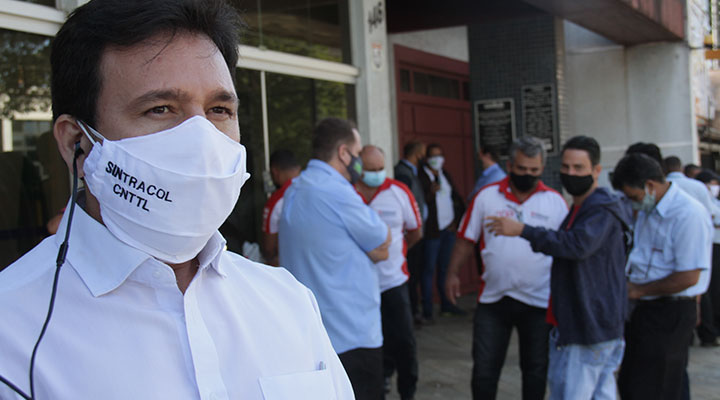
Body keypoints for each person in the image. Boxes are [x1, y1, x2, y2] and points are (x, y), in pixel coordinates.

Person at [0, 1, 355, 399]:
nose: (202, 141)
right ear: (76, 144)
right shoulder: (12, 337)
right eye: (160, 109)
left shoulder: (287, 300)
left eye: (219, 109)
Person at [485, 136, 630, 399]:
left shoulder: (600, 211)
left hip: (588, 328)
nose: (570, 174)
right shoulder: (579, 209)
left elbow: (576, 245)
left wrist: (523, 230)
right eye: (565, 167)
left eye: (578, 168)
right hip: (582, 325)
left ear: (596, 170)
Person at [446, 135, 567, 400]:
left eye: (534, 170)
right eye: (522, 169)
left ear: (542, 168)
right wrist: (452, 274)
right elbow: (466, 240)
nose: (528, 175)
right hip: (494, 300)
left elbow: (564, 248)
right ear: (510, 166)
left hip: (539, 301)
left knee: (535, 371)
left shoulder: (555, 202)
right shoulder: (486, 197)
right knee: (484, 371)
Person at [279, 117, 391, 400]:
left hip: (313, 336)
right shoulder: (338, 192)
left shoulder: (294, 189)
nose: (359, 162)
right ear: (344, 153)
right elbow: (382, 242)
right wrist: (370, 247)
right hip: (353, 336)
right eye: (357, 152)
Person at [612, 153, 712, 400]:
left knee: (658, 386)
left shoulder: (688, 214)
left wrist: (639, 290)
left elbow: (688, 276)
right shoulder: (648, 209)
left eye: (634, 197)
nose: (633, 204)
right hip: (643, 310)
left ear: (650, 185)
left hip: (670, 311)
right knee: (634, 384)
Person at [356, 145, 422, 400]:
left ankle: (408, 391)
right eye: (371, 169)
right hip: (358, 286)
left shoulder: (399, 192)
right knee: (368, 344)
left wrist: (395, 253)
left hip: (393, 282)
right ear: (359, 168)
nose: (376, 174)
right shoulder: (347, 193)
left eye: (380, 168)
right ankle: (379, 383)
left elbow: (415, 231)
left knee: (404, 341)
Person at [419, 143, 466, 321]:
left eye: (439, 155)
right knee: (428, 269)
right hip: (433, 232)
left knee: (446, 269)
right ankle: (428, 310)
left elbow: (455, 198)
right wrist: (430, 193)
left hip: (448, 230)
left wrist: (456, 221)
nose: (437, 159)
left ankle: (447, 304)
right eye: (433, 156)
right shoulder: (422, 176)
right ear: (427, 158)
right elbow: (420, 202)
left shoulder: (445, 175)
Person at [395, 140, 427, 324]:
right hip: (409, 235)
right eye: (423, 152)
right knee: (411, 276)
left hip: (416, 233)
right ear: (417, 153)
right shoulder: (403, 173)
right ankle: (412, 313)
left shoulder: (413, 172)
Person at [693, 170, 720, 347]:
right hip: (711, 247)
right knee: (709, 289)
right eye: (712, 184)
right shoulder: (702, 199)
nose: (715, 187)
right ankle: (709, 331)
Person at [261, 149, 301, 266]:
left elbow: (269, 248)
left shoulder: (277, 200)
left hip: (290, 268)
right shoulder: (318, 190)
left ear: (275, 172)